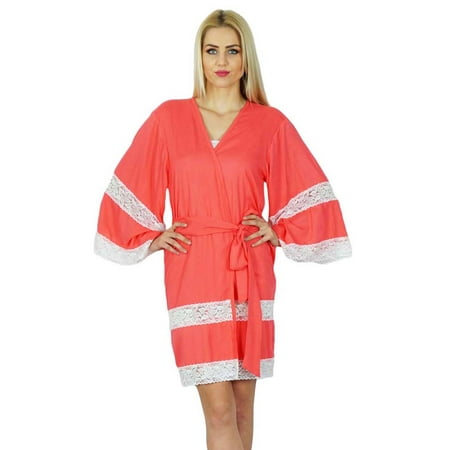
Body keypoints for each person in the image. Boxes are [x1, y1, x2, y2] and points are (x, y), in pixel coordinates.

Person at [94, 9, 351, 450]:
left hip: (249, 265)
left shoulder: (270, 123)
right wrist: (152, 238)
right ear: (199, 56)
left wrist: (278, 230)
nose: (222, 61)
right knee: (218, 410)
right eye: (212, 50)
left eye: (232, 51)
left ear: (246, 58)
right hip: (193, 267)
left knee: (242, 408)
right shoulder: (168, 118)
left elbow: (307, 184)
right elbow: (132, 178)